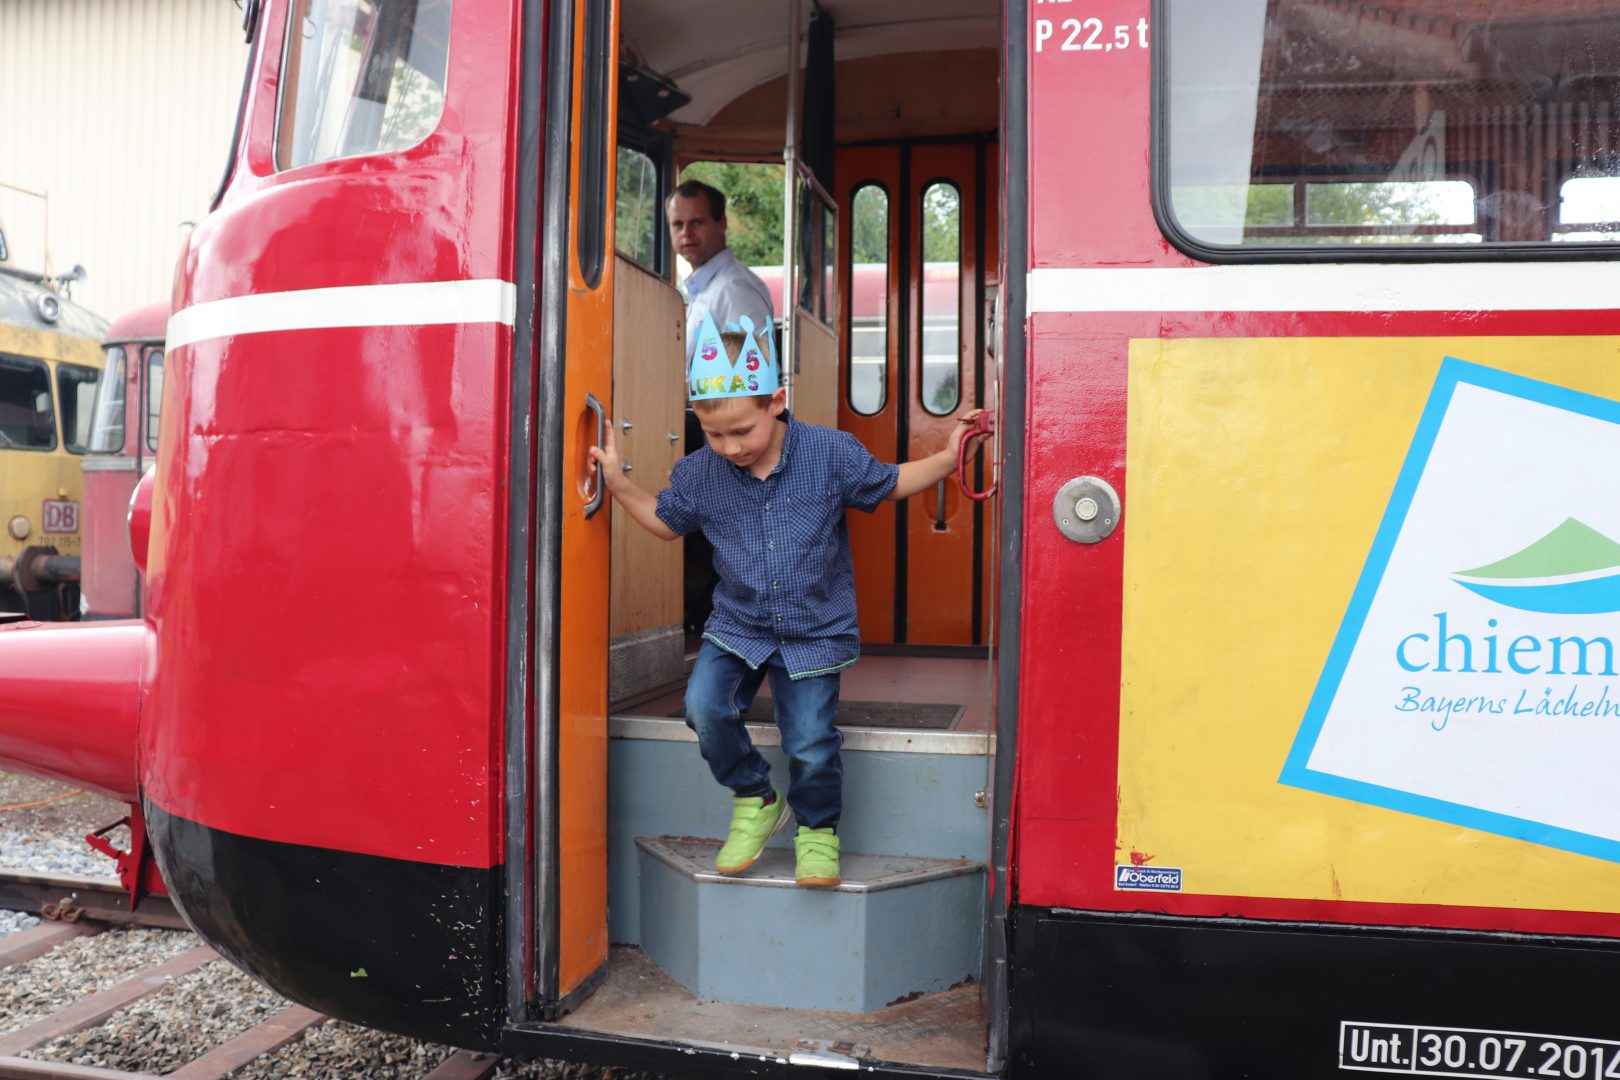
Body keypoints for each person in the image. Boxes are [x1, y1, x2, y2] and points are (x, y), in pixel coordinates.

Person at [588, 315, 990, 889]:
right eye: (714, 435)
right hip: (738, 625)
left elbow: (890, 482)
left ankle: (818, 832)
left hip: (815, 629)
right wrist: (620, 484)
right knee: (704, 708)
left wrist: (950, 458)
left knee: (809, 741)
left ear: (776, 402)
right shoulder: (700, 473)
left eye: (741, 431)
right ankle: (755, 796)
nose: (730, 447)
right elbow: (666, 522)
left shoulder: (829, 453)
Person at [667, 179, 774, 363]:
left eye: (697, 222)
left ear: (722, 224)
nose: (686, 232)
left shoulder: (734, 290)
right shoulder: (705, 288)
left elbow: (754, 373)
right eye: (677, 224)